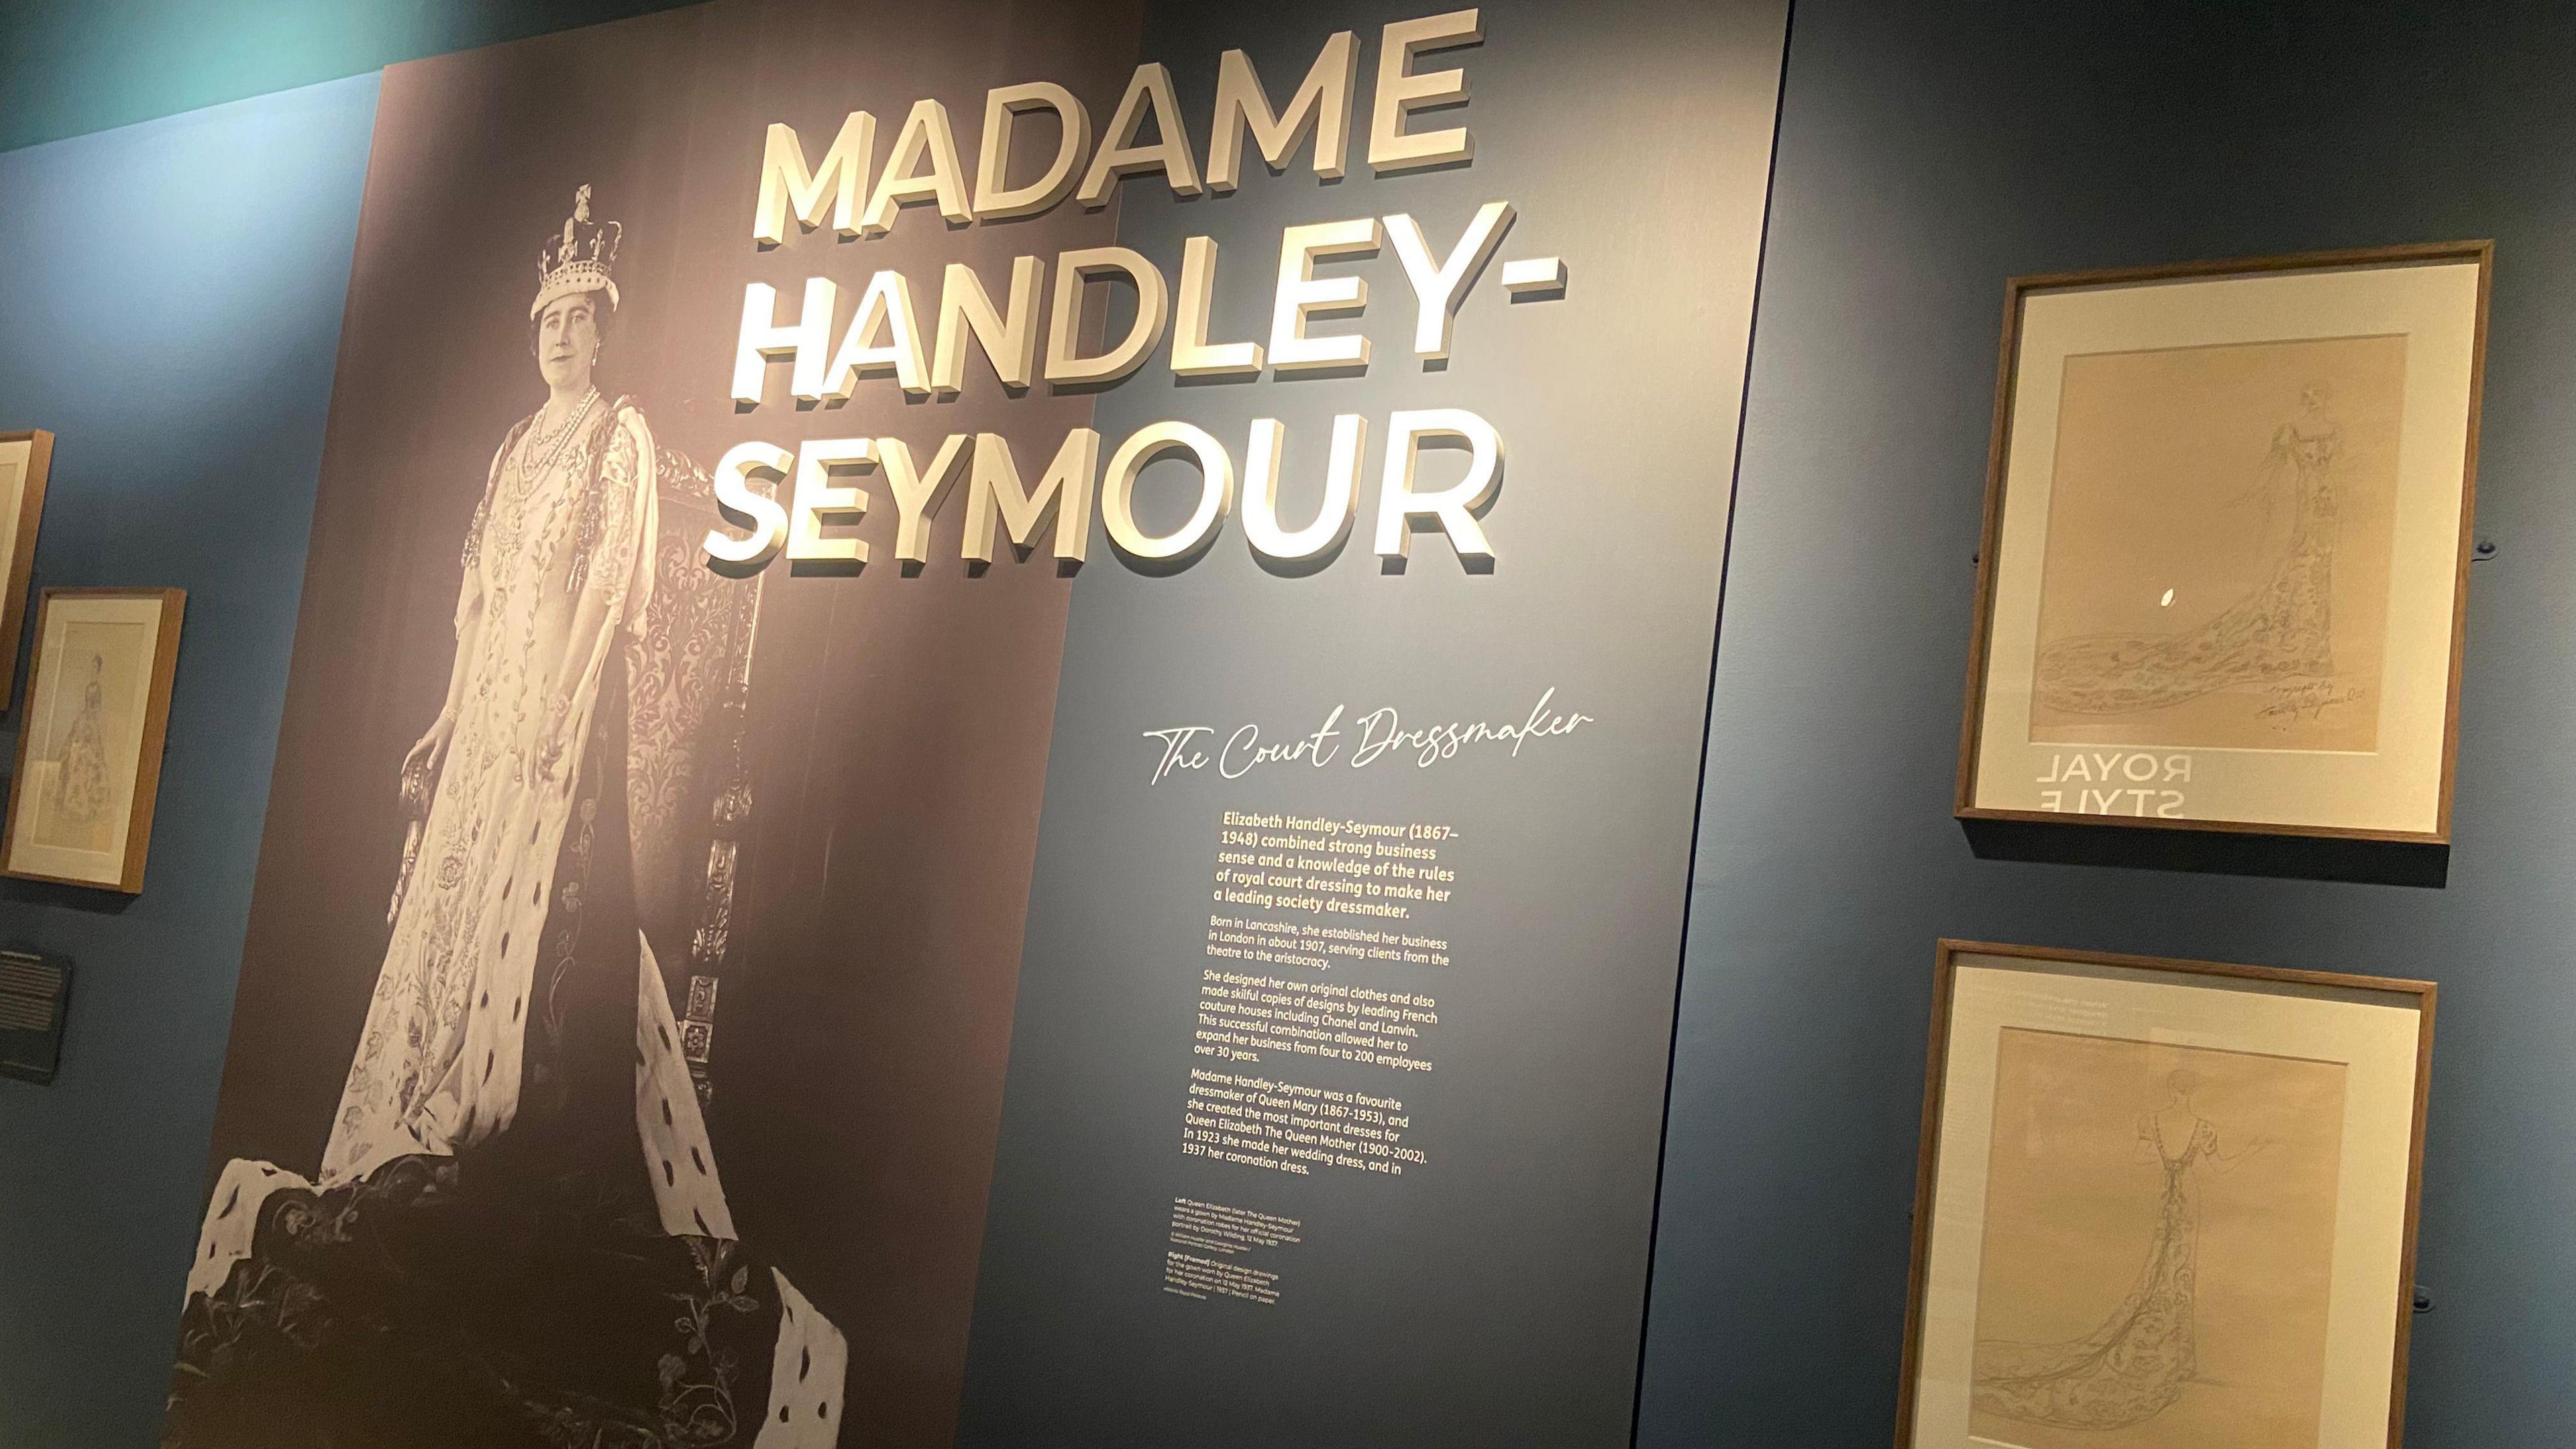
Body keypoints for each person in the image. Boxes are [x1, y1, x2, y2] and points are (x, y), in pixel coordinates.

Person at [167, 188, 844, 1449]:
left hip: (558, 715)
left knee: (530, 929)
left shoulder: (616, 439)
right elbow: (480, 593)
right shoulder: (512, 449)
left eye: (582, 320)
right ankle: (407, 1112)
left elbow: (612, 582)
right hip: (489, 710)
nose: (563, 340)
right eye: (551, 322)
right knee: (443, 898)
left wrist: (570, 706)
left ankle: (499, 1117)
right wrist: (448, 707)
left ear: (606, 329)